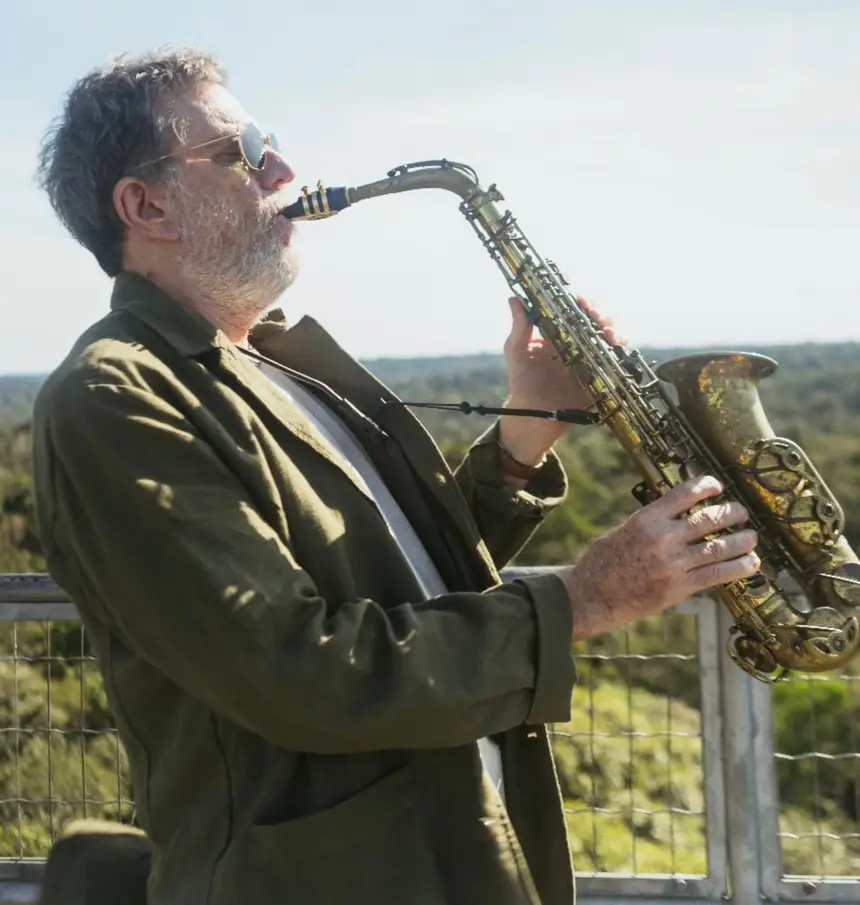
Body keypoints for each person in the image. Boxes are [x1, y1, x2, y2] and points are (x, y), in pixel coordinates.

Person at [30, 47, 760, 905]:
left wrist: (523, 434)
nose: (287, 169)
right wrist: (588, 597)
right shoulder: (112, 399)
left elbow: (395, 583)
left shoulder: (275, 360)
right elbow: (300, 670)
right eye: (245, 150)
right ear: (146, 204)